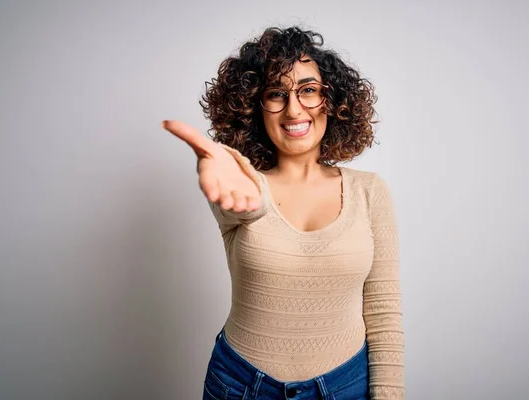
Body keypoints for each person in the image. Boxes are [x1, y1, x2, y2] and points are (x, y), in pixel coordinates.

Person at [163, 26, 404, 400]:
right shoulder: (240, 187)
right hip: (241, 386)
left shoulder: (369, 190)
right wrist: (236, 181)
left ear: (332, 99)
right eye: (276, 94)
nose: (294, 109)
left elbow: (384, 310)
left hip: (346, 387)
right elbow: (250, 204)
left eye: (308, 90)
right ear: (255, 107)